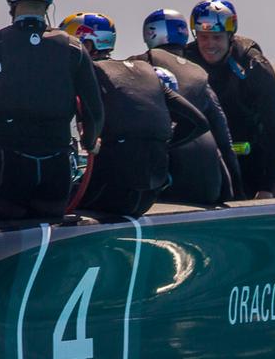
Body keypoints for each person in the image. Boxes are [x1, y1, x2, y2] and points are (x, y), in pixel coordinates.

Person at [0, 0, 103, 219]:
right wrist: (89, 142)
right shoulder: (74, 47)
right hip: (57, 162)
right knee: (50, 220)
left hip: (10, 160)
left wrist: (3, 109)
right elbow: (94, 111)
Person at [60, 12, 209, 216]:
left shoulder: (90, 73)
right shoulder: (146, 71)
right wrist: (160, 145)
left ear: (87, 46)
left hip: (109, 192)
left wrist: (91, 142)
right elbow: (199, 123)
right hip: (150, 193)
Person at [130, 8, 243, 204]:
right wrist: (239, 197)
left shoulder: (136, 65)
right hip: (207, 189)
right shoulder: (198, 73)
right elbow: (224, 142)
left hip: (158, 192)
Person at [184, 0, 275, 199]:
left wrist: (267, 187)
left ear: (230, 36)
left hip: (251, 165)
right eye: (203, 37)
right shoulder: (186, 60)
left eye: (217, 37)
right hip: (207, 164)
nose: (209, 44)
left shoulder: (254, 66)